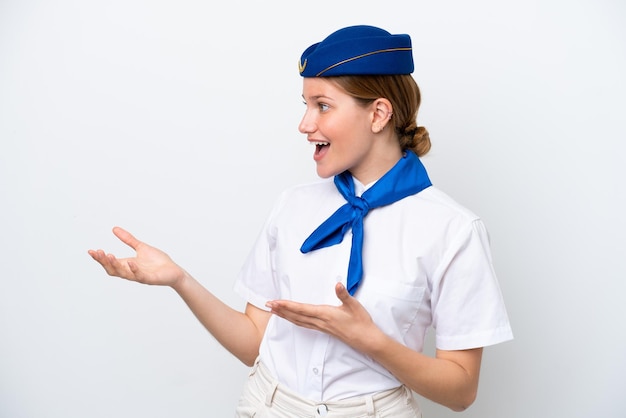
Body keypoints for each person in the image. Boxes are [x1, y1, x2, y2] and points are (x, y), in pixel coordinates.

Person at [89, 25, 513, 417]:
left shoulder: (452, 229)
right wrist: (179, 279)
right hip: (267, 405)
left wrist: (371, 340)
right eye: (306, 105)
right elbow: (255, 341)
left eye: (322, 106)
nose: (304, 124)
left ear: (379, 114)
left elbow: (461, 390)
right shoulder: (292, 207)